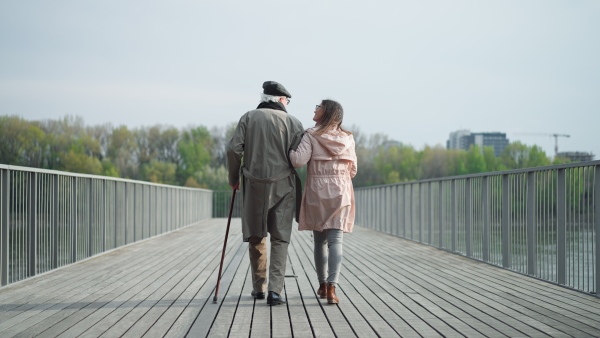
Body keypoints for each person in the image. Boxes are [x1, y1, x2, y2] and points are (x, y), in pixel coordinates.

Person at [226, 81, 304, 306]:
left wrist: (233, 180)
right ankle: (275, 292)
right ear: (281, 100)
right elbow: (298, 158)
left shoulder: (248, 117)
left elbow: (233, 149)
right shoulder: (294, 123)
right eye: (287, 101)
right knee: (280, 237)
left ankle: (258, 288)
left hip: (253, 185)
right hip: (283, 187)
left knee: (256, 234)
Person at [289, 99, 357, 304]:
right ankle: (332, 288)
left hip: (317, 190)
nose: (315, 109)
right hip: (341, 190)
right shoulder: (348, 138)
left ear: (326, 113)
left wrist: (290, 151)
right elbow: (353, 170)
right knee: (336, 240)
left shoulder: (311, 135)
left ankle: (321, 284)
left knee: (320, 241)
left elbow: (298, 161)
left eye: (318, 107)